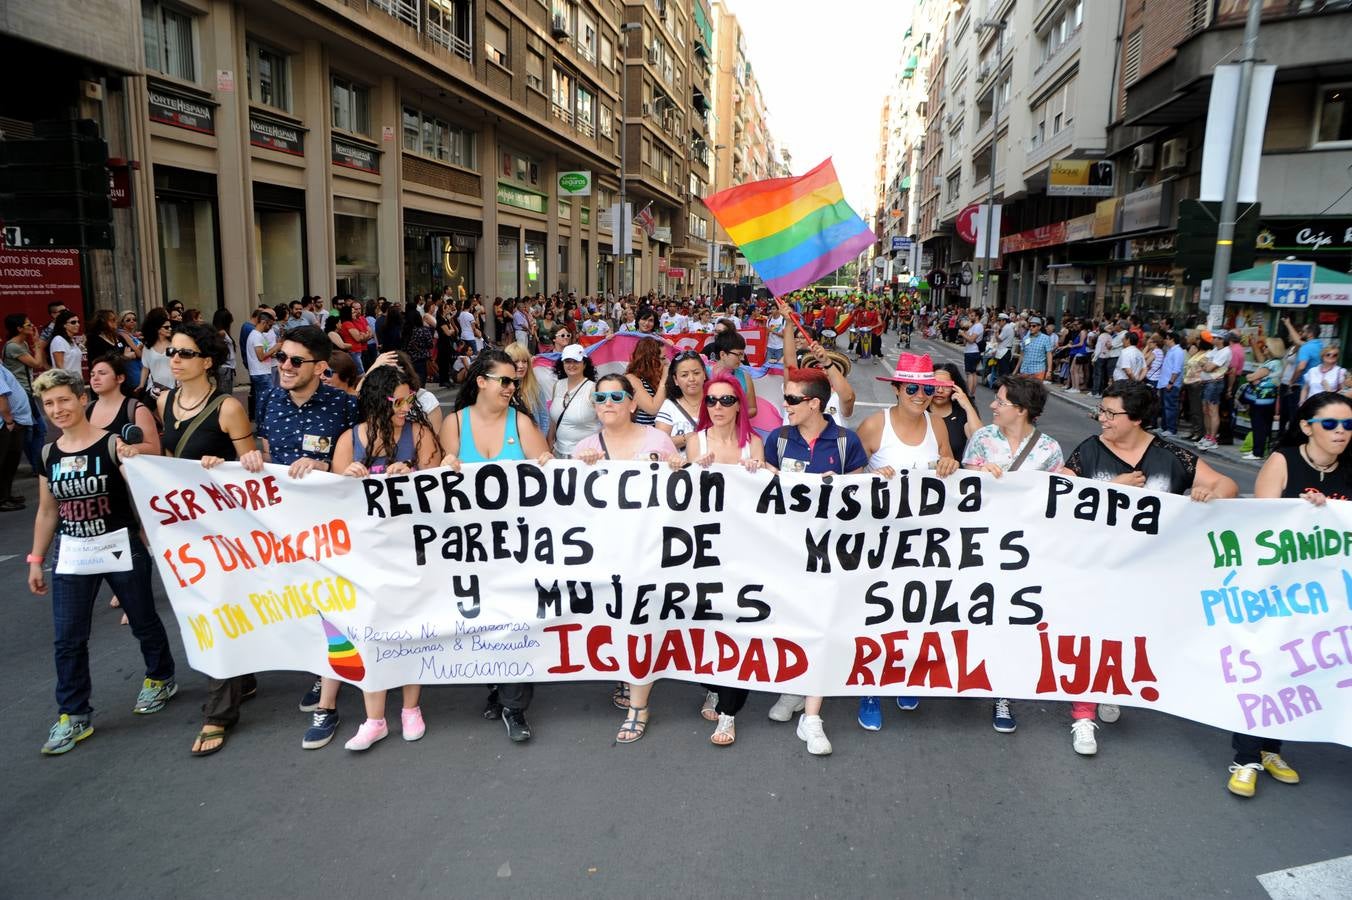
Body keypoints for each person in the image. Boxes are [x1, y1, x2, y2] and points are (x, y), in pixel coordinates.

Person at [1062, 379, 1237, 756]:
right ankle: (1082, 716)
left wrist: (1210, 492)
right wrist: (1112, 490)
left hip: (1149, 576)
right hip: (1094, 569)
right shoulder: (1088, 452)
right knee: (1089, 639)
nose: (1102, 418)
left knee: (1126, 640)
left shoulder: (1172, 456)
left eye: (1111, 413)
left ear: (1137, 419)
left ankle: (1110, 687)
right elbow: (1057, 495)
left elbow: (1227, 484)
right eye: (1102, 411)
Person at [26, 368, 178, 755]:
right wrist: (35, 559)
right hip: (72, 555)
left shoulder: (112, 445)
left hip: (120, 546)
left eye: (63, 400)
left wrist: (134, 458)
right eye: (48, 404)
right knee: (67, 639)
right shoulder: (48, 453)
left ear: (81, 400)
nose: (57, 409)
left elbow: (148, 492)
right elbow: (47, 512)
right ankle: (73, 714)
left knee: (143, 620)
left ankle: (160, 677)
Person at [1229, 391, 1352, 795]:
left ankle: (1271, 749)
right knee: (1264, 666)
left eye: (1348, 425)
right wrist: (1302, 511)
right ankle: (1244, 757)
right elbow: (1262, 526)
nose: (1341, 432)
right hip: (1273, 589)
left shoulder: (1348, 468)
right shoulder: (1283, 461)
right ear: (1306, 426)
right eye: (1331, 424)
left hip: (1325, 596)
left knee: (1297, 668)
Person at [246, 326, 358, 750]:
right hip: (282, 523)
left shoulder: (345, 406)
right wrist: (255, 458)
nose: (285, 367)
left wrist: (325, 465)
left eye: (296, 361)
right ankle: (318, 668)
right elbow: (268, 453)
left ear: (320, 366)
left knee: (333, 604)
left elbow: (358, 462)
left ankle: (329, 685)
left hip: (333, 523)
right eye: (281, 359)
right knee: (301, 601)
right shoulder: (270, 399)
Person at [152, 323, 258, 756]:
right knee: (206, 608)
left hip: (223, 527)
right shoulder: (164, 401)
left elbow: (250, 465)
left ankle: (219, 713)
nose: (174, 359)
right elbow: (168, 460)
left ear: (207, 362)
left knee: (216, 611)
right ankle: (242, 677)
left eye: (184, 353)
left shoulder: (227, 407)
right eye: (172, 352)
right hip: (184, 527)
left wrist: (226, 462)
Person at [441, 350, 552, 743]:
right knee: (481, 621)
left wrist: (549, 462)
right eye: (504, 380)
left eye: (513, 381)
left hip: (518, 544)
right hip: (470, 545)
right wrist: (446, 466)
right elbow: (439, 474)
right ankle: (494, 686)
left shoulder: (520, 422)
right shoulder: (454, 422)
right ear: (481, 382)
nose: (511, 387)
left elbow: (549, 470)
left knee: (516, 621)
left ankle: (514, 706)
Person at [331, 366, 443, 752]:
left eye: (409, 399)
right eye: (397, 400)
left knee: (412, 628)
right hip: (365, 553)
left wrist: (411, 473)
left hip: (412, 550)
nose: (404, 407)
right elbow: (330, 496)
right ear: (378, 400)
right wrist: (346, 475)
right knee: (369, 632)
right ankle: (373, 718)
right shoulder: (351, 437)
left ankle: (411, 708)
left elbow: (442, 490)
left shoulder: (420, 433)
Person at [763, 367, 870, 755]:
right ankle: (794, 689)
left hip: (831, 555)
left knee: (823, 627)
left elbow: (861, 499)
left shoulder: (845, 441)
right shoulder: (777, 439)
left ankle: (812, 717)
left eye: (791, 400)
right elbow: (764, 493)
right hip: (787, 553)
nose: (784, 405)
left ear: (814, 403)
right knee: (793, 625)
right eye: (784, 398)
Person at [853, 353, 960, 731]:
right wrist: (870, 476)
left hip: (925, 542)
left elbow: (949, 463)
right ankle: (870, 689)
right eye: (912, 388)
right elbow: (849, 477)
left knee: (915, 615)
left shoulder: (938, 425)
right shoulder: (873, 425)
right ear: (896, 389)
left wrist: (950, 464)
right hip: (879, 541)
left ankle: (907, 675)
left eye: (927, 389)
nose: (920, 395)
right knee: (877, 618)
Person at [573, 373, 678, 745]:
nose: (608, 403)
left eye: (617, 396)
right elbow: (568, 507)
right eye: (600, 398)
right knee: (613, 622)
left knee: (640, 624)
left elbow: (684, 494)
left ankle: (639, 706)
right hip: (603, 555)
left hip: (649, 553)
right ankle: (625, 672)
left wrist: (677, 468)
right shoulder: (585, 446)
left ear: (633, 403)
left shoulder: (658, 441)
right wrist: (580, 468)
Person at [960, 375, 1064, 733]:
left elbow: (1053, 503)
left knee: (1008, 621)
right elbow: (961, 490)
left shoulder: (1048, 449)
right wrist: (977, 473)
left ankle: (1002, 693)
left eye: (1001, 402)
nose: (992, 405)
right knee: (966, 613)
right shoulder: (982, 440)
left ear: (1021, 410)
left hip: (1022, 552)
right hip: (976, 544)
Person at [675, 373, 766, 746]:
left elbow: (768, 499)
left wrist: (762, 473)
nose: (718, 408)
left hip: (746, 556)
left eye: (727, 401)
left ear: (739, 405)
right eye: (711, 401)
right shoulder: (694, 442)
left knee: (738, 631)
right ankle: (710, 684)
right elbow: (674, 493)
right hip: (702, 554)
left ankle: (728, 712)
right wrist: (688, 468)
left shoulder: (754, 444)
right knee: (704, 629)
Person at [86, 356, 160, 456]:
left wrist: (128, 448)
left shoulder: (136, 410)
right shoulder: (87, 409)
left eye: (102, 373)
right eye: (92, 374)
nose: (95, 378)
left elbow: (154, 449)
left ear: (120, 378)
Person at [547, 344, 601, 457]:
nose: (571, 365)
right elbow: (553, 420)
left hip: (586, 456)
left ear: (584, 364)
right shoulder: (557, 385)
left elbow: (606, 421)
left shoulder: (593, 388)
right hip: (558, 453)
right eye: (567, 361)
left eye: (576, 361)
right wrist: (549, 444)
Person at [654, 349, 707, 457]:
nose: (691, 379)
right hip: (680, 469)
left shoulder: (716, 401)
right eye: (684, 375)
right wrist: (689, 438)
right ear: (675, 380)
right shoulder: (669, 406)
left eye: (696, 373)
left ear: (704, 374)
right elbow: (660, 443)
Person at [1239, 336, 1282, 461]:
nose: (1264, 348)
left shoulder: (1272, 363)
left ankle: (1257, 452)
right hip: (1268, 399)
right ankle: (1260, 451)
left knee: (1259, 426)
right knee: (1265, 426)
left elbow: (1251, 378)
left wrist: (1251, 376)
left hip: (1261, 400)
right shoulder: (1276, 362)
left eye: (1266, 346)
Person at [0, 361, 34, 510]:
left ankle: (6, 495)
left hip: (12, 421)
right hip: (6, 424)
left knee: (10, 462)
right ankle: (2, 499)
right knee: (4, 462)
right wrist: (8, 421)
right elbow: (1, 396)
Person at [932, 362, 982, 459]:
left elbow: (980, 443)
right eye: (935, 384)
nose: (940, 390)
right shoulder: (920, 409)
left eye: (946, 385)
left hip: (954, 472)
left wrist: (968, 406)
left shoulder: (962, 412)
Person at [1196, 332, 1233, 451]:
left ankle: (1213, 439)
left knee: (1212, 411)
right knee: (1205, 410)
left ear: (1221, 339)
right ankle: (1207, 436)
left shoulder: (1225, 351)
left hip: (1214, 383)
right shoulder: (1215, 350)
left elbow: (1209, 367)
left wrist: (1206, 366)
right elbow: (1201, 361)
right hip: (1207, 382)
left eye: (1215, 337)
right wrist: (1205, 365)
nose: (1212, 339)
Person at [505, 342, 550, 435]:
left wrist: (539, 442)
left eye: (524, 361)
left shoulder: (535, 387)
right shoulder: (499, 388)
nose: (521, 366)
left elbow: (544, 418)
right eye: (516, 361)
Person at [623, 334, 669, 426]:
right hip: (644, 436)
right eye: (663, 358)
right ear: (650, 359)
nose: (667, 361)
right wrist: (664, 379)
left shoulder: (658, 376)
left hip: (665, 434)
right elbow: (653, 409)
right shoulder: (632, 379)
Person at [244, 307, 279, 419]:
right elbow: (261, 356)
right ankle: (262, 426)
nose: (270, 328)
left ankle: (261, 425)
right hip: (261, 373)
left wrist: (273, 353)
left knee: (262, 399)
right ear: (263, 322)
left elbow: (262, 354)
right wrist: (275, 348)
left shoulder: (257, 335)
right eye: (269, 325)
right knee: (265, 400)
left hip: (260, 372)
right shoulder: (257, 336)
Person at [1155, 331, 1186, 436]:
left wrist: (1171, 382)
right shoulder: (1170, 350)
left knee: (1170, 406)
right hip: (1164, 383)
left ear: (1172, 339)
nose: (1165, 340)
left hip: (1171, 384)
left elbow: (1176, 369)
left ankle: (1171, 429)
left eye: (1166, 338)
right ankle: (1164, 427)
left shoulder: (1178, 351)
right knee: (1164, 406)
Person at [49, 311, 84, 379]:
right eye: (73, 322)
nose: (77, 324)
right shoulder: (58, 340)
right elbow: (60, 367)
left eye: (78, 322)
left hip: (77, 382)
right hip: (67, 382)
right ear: (64, 325)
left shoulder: (71, 341)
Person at [962, 314, 985, 395]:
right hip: (970, 351)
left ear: (977, 316)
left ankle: (969, 394)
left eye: (972, 315)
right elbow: (965, 341)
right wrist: (965, 331)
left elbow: (971, 340)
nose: (970, 317)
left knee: (969, 373)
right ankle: (972, 393)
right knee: (973, 373)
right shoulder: (972, 326)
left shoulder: (978, 326)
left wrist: (962, 334)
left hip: (973, 352)